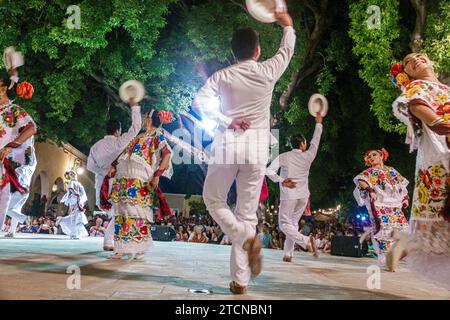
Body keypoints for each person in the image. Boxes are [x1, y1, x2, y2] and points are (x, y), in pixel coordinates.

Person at [192, 10, 296, 294]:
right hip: (257, 151)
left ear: (233, 52)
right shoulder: (267, 71)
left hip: (227, 144)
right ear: (258, 50)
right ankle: (240, 282)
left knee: (213, 199)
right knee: (247, 213)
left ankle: (241, 237)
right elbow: (287, 51)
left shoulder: (222, 76)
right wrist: (287, 24)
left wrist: (226, 120)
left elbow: (199, 103)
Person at [389, 53, 450, 288]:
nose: (415, 59)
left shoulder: (445, 87)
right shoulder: (416, 86)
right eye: (408, 61)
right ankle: (405, 245)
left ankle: (404, 245)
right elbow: (417, 106)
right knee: (436, 221)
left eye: (419, 55)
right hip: (437, 154)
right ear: (407, 73)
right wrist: (441, 125)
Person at [109, 111, 172, 261]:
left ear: (149, 119)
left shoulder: (158, 135)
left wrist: (157, 174)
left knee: (137, 211)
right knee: (122, 210)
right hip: (125, 175)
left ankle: (140, 248)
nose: (144, 119)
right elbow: (124, 152)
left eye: (146, 117)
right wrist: (113, 165)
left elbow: (167, 154)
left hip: (141, 176)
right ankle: (121, 248)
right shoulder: (139, 136)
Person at [266, 113, 323, 262]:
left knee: (284, 224)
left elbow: (268, 171)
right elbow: (315, 141)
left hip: (289, 195)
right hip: (303, 195)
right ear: (303, 144)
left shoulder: (284, 156)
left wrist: (281, 180)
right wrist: (318, 123)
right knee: (292, 223)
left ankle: (305, 241)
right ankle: (288, 253)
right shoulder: (309, 155)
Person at [87, 98, 141, 251]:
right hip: (116, 183)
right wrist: (135, 107)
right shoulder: (120, 142)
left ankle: (115, 240)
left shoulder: (96, 147)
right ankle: (111, 240)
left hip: (101, 184)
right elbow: (136, 127)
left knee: (119, 213)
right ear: (117, 131)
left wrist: (104, 171)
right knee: (122, 212)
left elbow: (90, 166)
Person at [353, 148, 410, 268]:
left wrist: (405, 198)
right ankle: (384, 258)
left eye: (374, 155)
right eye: (369, 157)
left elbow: (402, 186)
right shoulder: (370, 172)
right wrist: (370, 190)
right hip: (380, 204)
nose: (371, 157)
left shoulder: (392, 171)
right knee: (383, 229)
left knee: (403, 229)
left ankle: (394, 255)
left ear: (381, 156)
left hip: (394, 205)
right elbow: (361, 180)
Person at [0, 68, 37, 238]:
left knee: (3, 200)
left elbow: (31, 128)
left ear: (3, 89)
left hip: (3, 164)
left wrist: (11, 145)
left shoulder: (14, 111)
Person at [57, 170, 88, 239]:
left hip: (78, 200)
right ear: (69, 176)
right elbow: (71, 189)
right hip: (74, 200)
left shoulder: (78, 183)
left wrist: (80, 198)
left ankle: (75, 233)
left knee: (77, 217)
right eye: (71, 174)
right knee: (75, 217)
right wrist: (76, 194)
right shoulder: (72, 182)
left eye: (73, 173)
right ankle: (74, 233)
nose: (73, 175)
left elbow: (82, 193)